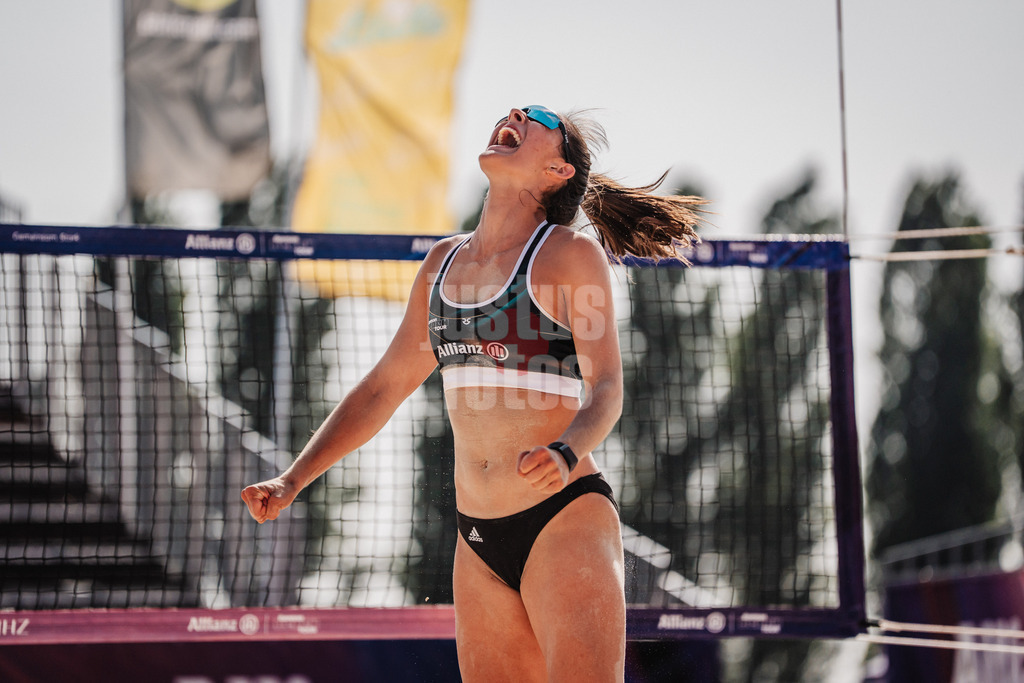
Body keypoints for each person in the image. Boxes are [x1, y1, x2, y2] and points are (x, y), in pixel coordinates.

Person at [242, 106, 705, 682]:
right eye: (513, 109)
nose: (513, 113)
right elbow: (384, 387)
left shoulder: (567, 257)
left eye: (535, 117)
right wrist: (293, 479)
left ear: (558, 170)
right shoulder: (442, 264)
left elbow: (607, 387)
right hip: (478, 538)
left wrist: (565, 451)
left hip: (561, 519)